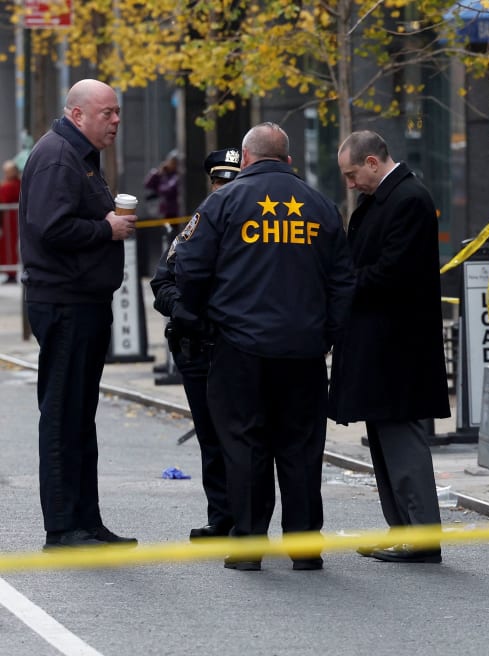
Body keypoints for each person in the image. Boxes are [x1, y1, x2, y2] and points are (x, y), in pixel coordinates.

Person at [175, 123, 353, 571]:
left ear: (246, 160)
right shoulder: (321, 206)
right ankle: (305, 547)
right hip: (304, 351)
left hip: (240, 348)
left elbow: (190, 268)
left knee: (245, 444)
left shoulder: (223, 201)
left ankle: (250, 544)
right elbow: (343, 282)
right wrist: (327, 334)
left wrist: (198, 320)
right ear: (289, 160)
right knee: (301, 447)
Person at [18, 79, 138, 550]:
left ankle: (87, 521)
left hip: (84, 301)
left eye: (118, 113)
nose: (115, 121)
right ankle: (64, 526)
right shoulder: (56, 156)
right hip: (64, 302)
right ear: (77, 114)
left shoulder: (80, 155)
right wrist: (103, 228)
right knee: (63, 415)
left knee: (80, 416)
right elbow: (49, 227)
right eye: (107, 113)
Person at [328, 130, 450, 564]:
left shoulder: (408, 199)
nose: (349, 183)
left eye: (352, 173)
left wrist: (342, 286)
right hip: (382, 343)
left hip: (398, 347)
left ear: (373, 163)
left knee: (402, 441)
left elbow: (391, 272)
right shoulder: (385, 199)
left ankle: (419, 535)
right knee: (383, 440)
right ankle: (403, 529)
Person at [150, 148, 241, 541]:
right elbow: (161, 283)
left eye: (230, 183)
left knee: (243, 437)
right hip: (198, 349)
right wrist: (185, 312)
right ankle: (221, 515)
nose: (223, 190)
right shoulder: (195, 226)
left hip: (239, 348)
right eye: (219, 183)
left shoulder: (252, 231)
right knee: (210, 437)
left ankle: (248, 519)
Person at [144, 149, 181, 219]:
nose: (170, 163)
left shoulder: (177, 176)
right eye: (170, 161)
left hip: (174, 212)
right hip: (164, 211)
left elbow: (167, 190)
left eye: (173, 162)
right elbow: (147, 184)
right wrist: (157, 173)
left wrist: (158, 189)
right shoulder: (164, 173)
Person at [0, 160, 20, 282]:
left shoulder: (14, 184)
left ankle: (11, 273)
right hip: (7, 221)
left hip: (12, 221)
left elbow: (4, 197)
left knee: (10, 246)